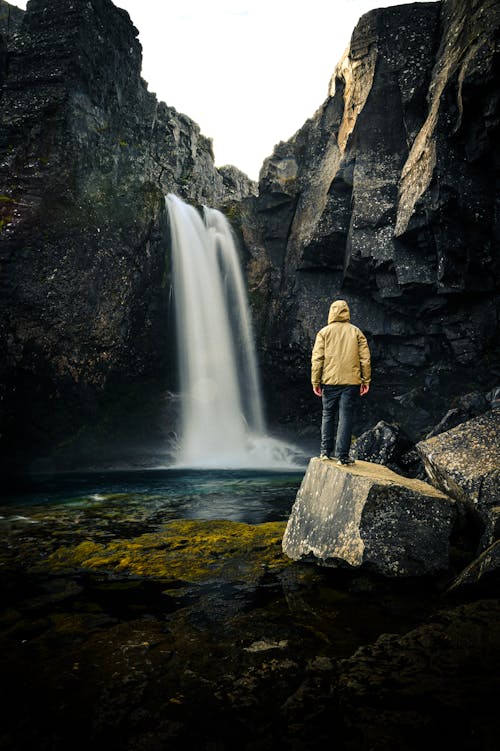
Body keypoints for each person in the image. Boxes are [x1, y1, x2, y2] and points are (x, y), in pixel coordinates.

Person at [311, 299, 371, 465]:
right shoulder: (356, 332)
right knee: (345, 416)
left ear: (331, 312)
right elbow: (365, 359)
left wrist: (315, 382)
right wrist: (365, 380)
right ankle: (342, 457)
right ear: (347, 312)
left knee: (328, 415)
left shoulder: (323, 333)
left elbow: (317, 359)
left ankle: (325, 452)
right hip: (351, 382)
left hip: (329, 381)